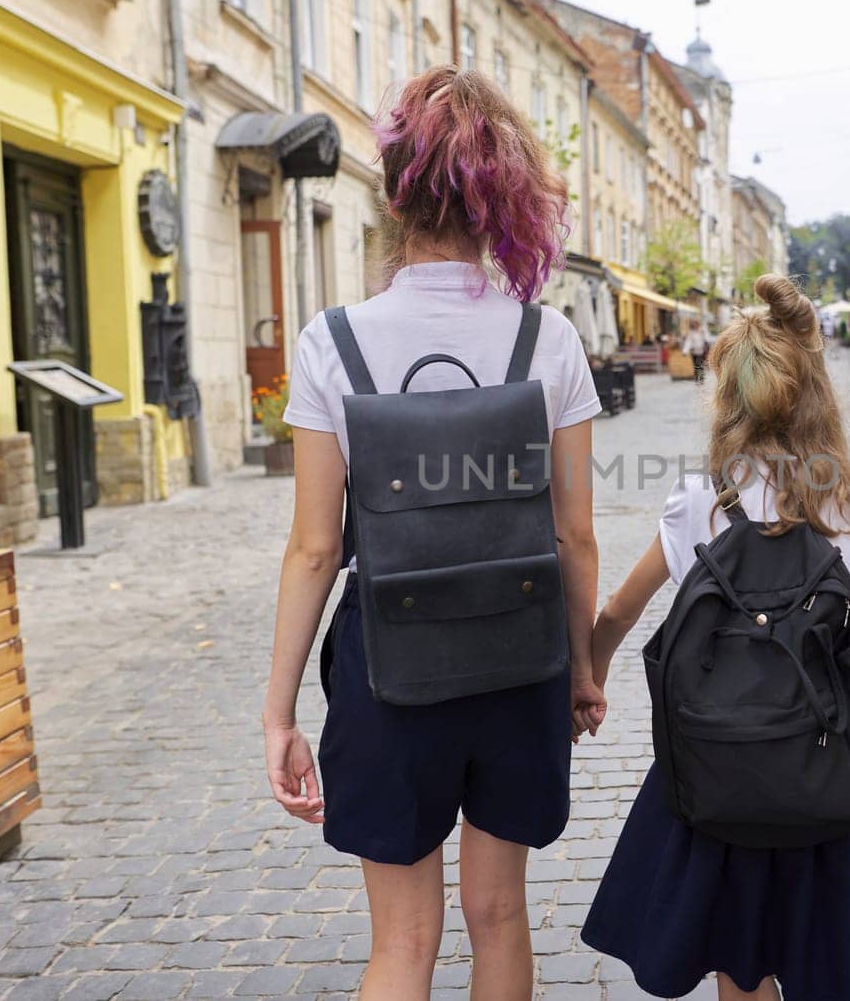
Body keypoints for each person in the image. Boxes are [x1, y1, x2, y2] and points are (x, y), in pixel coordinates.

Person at [262, 65, 605, 1001]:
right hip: (519, 654)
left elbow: (315, 549)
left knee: (403, 941)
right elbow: (574, 536)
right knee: (499, 918)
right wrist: (581, 667)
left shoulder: (336, 341)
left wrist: (281, 710)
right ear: (504, 192)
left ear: (394, 189)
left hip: (389, 667)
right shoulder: (550, 341)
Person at [579, 274, 850, 1001]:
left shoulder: (699, 500)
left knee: (740, 966)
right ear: (815, 393)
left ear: (729, 399)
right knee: (828, 963)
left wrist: (591, 675)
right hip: (829, 782)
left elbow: (617, 609)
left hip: (720, 774)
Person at [681, 318, 710, 384]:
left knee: (700, 365)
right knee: (695, 365)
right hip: (694, 351)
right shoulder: (691, 333)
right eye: (692, 324)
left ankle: (701, 379)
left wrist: (706, 343)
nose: (694, 325)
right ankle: (697, 378)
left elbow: (707, 338)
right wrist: (685, 351)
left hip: (702, 351)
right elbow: (688, 342)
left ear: (697, 324)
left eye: (695, 324)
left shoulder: (702, 330)